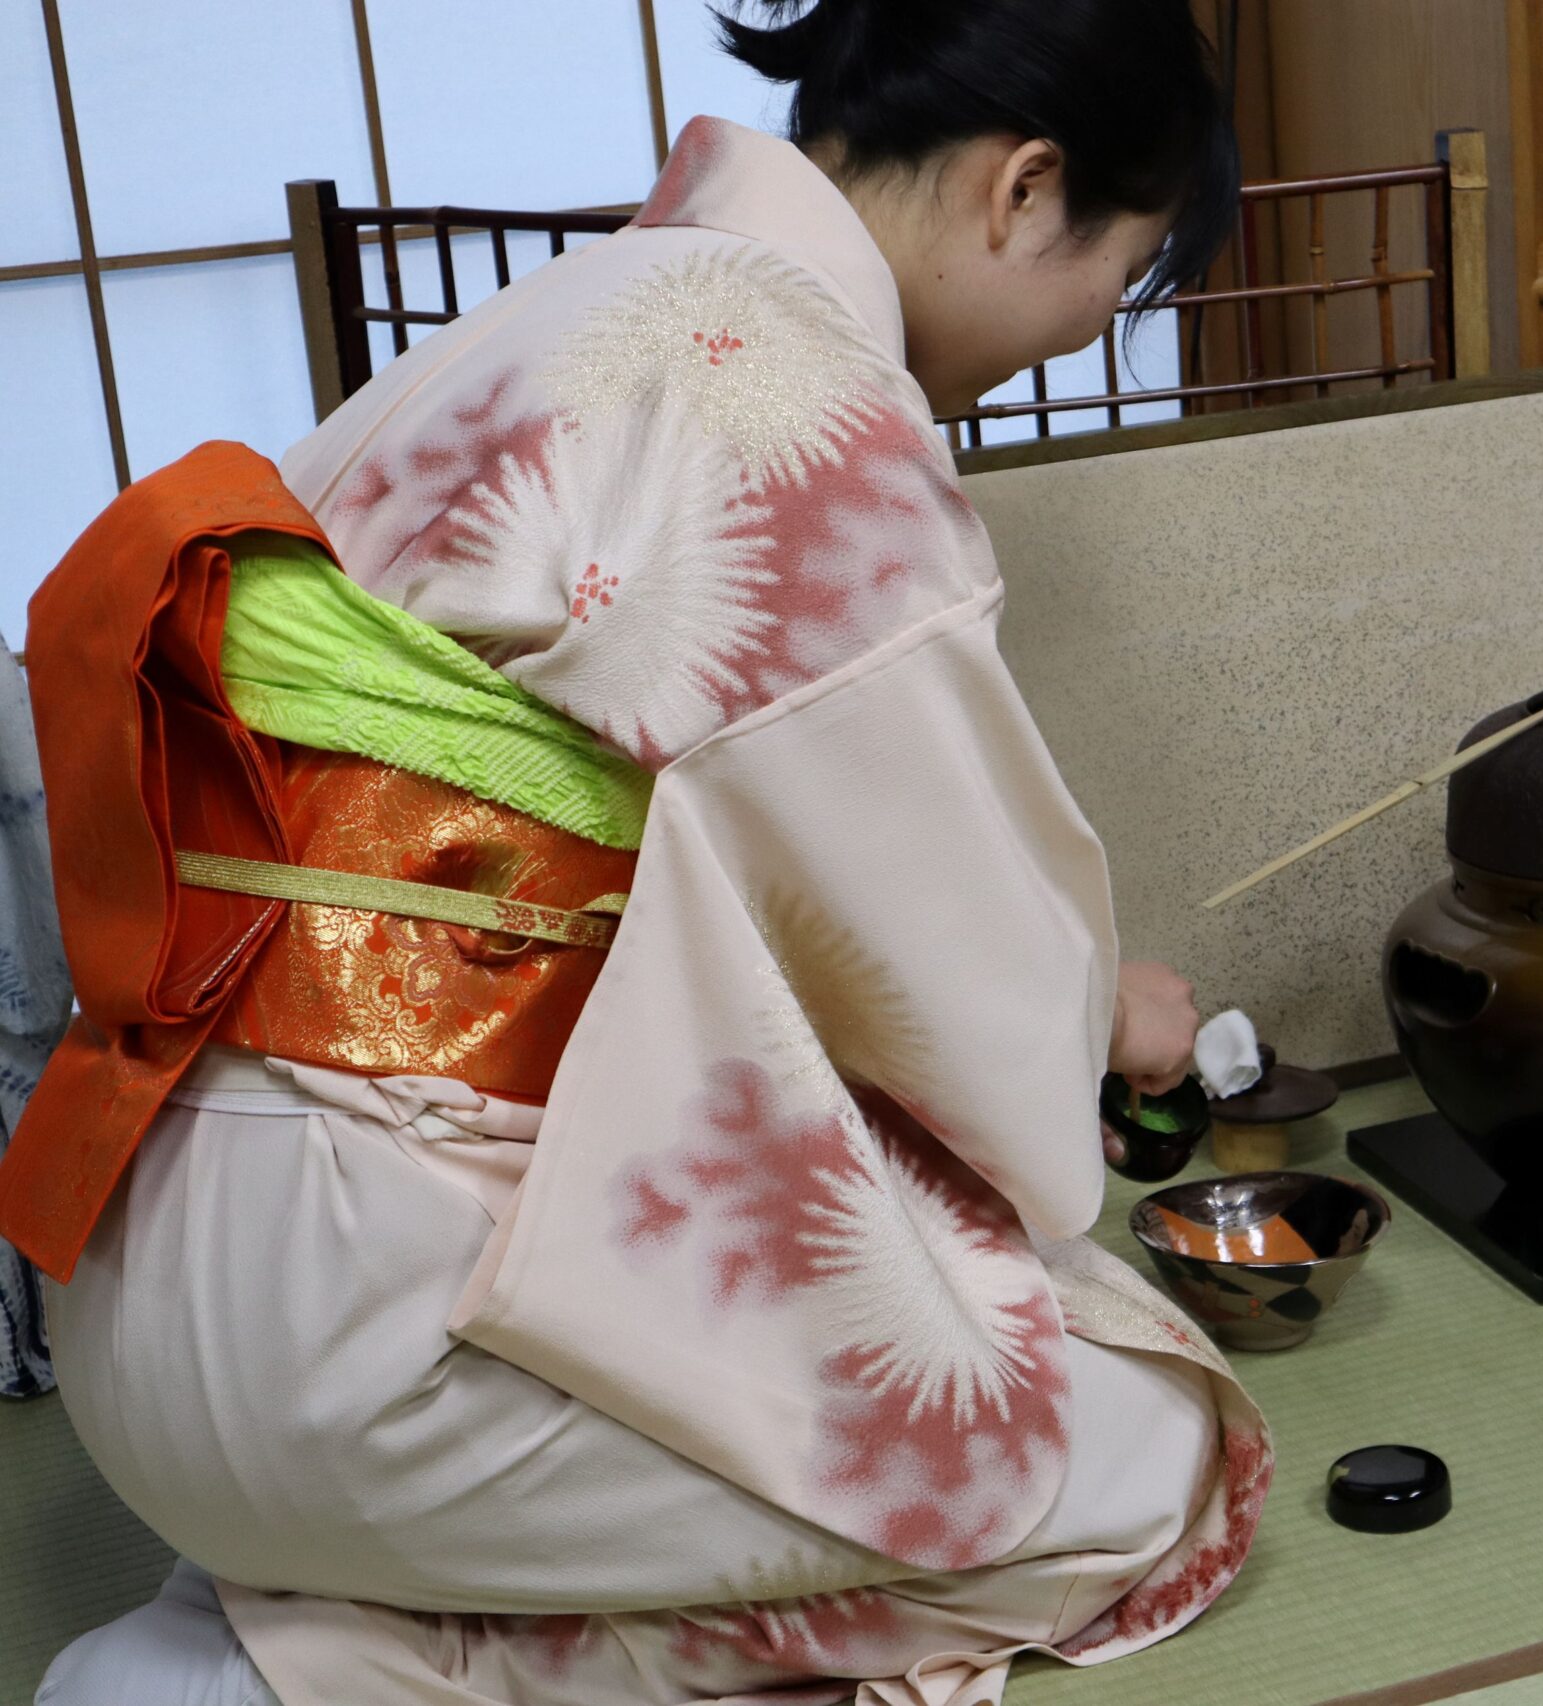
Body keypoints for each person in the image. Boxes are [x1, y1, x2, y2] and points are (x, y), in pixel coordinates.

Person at [15, 3, 1267, 1703]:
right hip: (370, 1331)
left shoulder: (545, 325)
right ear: (1026, 187)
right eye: (1111, 281)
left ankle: (293, 1569)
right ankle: (290, 1670)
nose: (1080, 336)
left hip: (142, 1273)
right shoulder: (796, 407)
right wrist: (1097, 1023)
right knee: (1144, 1451)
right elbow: (965, 1012)